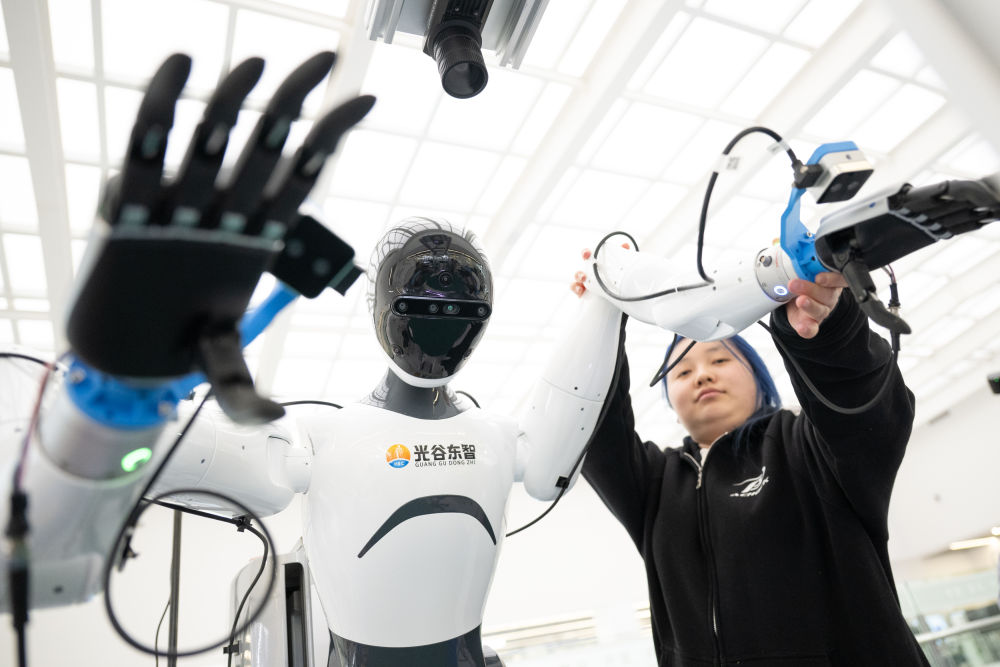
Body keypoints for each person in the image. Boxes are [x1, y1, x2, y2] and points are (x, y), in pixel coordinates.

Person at [578, 270, 930, 666]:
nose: (702, 375)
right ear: (671, 404)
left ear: (761, 381)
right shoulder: (654, 484)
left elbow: (863, 408)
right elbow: (592, 429)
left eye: (719, 359)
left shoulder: (807, 447)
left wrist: (824, 329)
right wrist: (603, 313)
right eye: (683, 371)